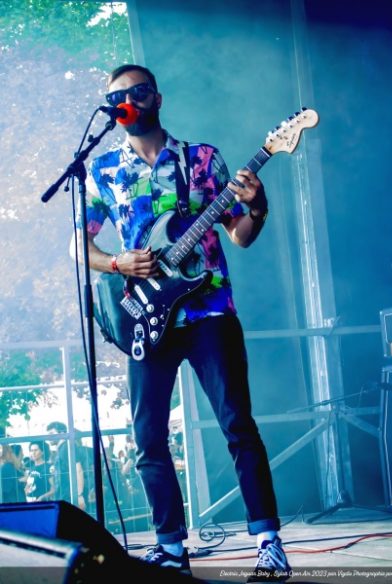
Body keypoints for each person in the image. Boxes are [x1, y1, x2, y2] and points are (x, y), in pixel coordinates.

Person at [70, 63, 291, 580]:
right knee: (148, 436)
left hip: (209, 310)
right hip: (147, 317)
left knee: (237, 424)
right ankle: (170, 547)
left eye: (138, 92)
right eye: (117, 96)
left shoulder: (202, 159)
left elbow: (239, 235)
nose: (128, 101)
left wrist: (257, 206)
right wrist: (118, 262)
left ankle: (268, 542)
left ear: (158, 98)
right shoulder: (103, 170)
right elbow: (80, 245)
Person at [46, 421, 87, 510]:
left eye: (52, 433)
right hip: (64, 495)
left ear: (62, 433)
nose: (49, 437)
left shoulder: (66, 447)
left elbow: (78, 470)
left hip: (70, 496)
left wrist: (79, 495)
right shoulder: (62, 449)